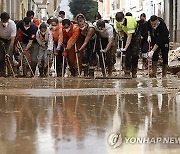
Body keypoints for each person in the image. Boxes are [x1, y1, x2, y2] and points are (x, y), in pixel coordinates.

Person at [115, 12, 141, 78]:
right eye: (119, 21)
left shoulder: (130, 22)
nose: (120, 23)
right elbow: (120, 31)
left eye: (121, 21)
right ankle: (127, 71)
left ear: (124, 18)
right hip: (126, 34)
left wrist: (125, 47)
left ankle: (134, 71)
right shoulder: (117, 22)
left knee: (135, 54)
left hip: (135, 35)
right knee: (127, 54)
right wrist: (122, 37)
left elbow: (130, 36)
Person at [0, 12, 17, 77]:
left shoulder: (12, 24)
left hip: (9, 39)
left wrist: (8, 51)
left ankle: (10, 72)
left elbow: (12, 40)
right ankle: (2, 72)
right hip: (1, 39)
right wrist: (1, 41)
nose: (5, 22)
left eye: (6, 21)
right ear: (1, 20)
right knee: (1, 57)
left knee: (9, 56)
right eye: (3, 21)